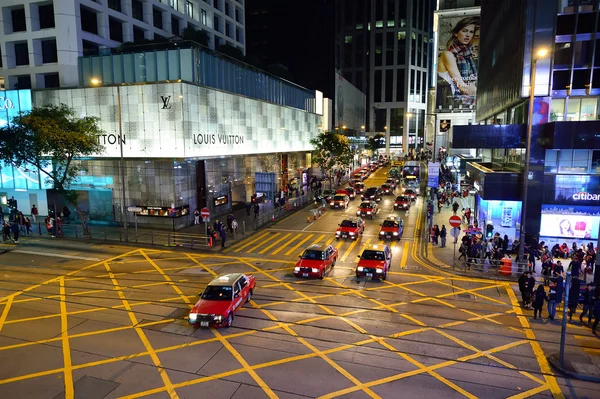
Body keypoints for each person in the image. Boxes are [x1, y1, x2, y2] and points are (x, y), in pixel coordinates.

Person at [437, 16, 480, 108]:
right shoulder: (447, 54)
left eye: (471, 32)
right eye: (464, 31)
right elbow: (462, 86)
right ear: (456, 33)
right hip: (452, 103)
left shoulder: (468, 56)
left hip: (466, 103)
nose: (468, 35)